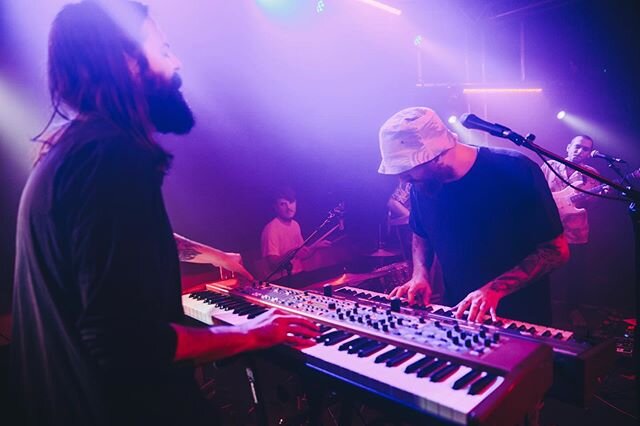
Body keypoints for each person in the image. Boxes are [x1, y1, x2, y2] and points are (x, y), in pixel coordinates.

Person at [10, 2, 318, 425]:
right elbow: (122, 342)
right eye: (164, 48)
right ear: (126, 61)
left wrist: (218, 257)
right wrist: (252, 333)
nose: (177, 63)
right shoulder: (111, 157)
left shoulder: (73, 155)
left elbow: (127, 245)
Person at [382, 107, 569, 325]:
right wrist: (420, 275)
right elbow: (421, 234)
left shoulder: (515, 169)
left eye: (408, 171)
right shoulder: (422, 186)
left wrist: (492, 290)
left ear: (435, 156)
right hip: (455, 313)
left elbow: (556, 252)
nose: (404, 180)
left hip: (519, 318)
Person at [540, 135, 599, 315]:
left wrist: (588, 199)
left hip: (576, 230)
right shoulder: (549, 165)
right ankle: (544, 308)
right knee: (543, 270)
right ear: (568, 146)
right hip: (548, 227)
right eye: (577, 146)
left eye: (585, 149)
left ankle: (573, 311)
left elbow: (593, 202)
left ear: (589, 153)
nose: (580, 151)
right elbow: (536, 191)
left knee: (575, 274)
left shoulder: (591, 173)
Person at [261, 187, 330, 277]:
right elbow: (273, 265)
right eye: (283, 204)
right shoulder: (271, 229)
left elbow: (301, 255)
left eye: (291, 202)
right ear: (275, 208)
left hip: (298, 274)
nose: (289, 208)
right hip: (282, 281)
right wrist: (292, 253)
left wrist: (315, 247)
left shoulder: (295, 225)